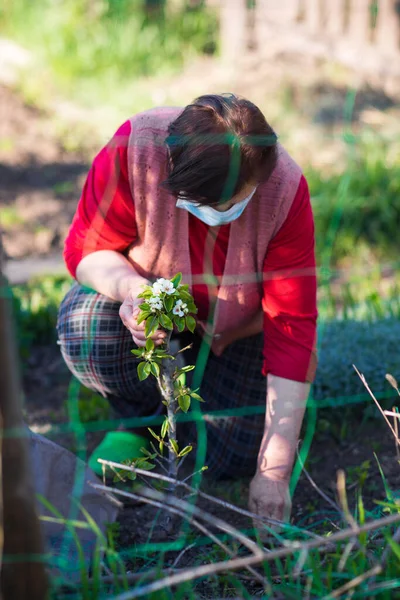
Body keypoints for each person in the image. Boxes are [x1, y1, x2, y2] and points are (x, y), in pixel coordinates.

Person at [57, 93, 318, 526]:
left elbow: (291, 327)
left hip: (238, 330)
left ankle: (188, 419)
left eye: (232, 203)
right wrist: (133, 291)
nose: (219, 216)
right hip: (152, 301)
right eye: (209, 205)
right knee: (85, 326)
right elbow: (87, 249)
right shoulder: (136, 150)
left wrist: (272, 472)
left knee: (238, 451)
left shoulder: (283, 190)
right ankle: (141, 425)